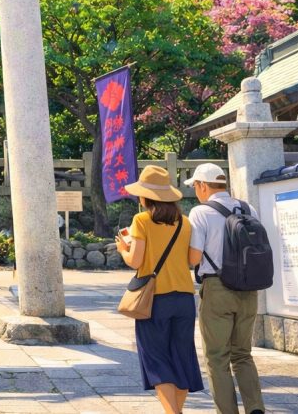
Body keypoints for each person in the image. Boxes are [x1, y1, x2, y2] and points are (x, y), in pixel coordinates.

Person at [116, 165, 204, 414]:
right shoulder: (184, 223)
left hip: (155, 300)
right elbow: (192, 259)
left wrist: (124, 248)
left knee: (157, 359)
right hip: (185, 298)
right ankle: (176, 411)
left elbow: (135, 261)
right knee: (182, 357)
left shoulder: (141, 220)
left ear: (145, 196)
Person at [186, 163, 265, 414]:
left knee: (217, 357)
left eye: (195, 187)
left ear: (203, 185)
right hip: (249, 288)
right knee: (242, 353)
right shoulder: (247, 207)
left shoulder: (200, 212)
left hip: (217, 289)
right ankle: (255, 408)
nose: (195, 192)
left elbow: (194, 257)